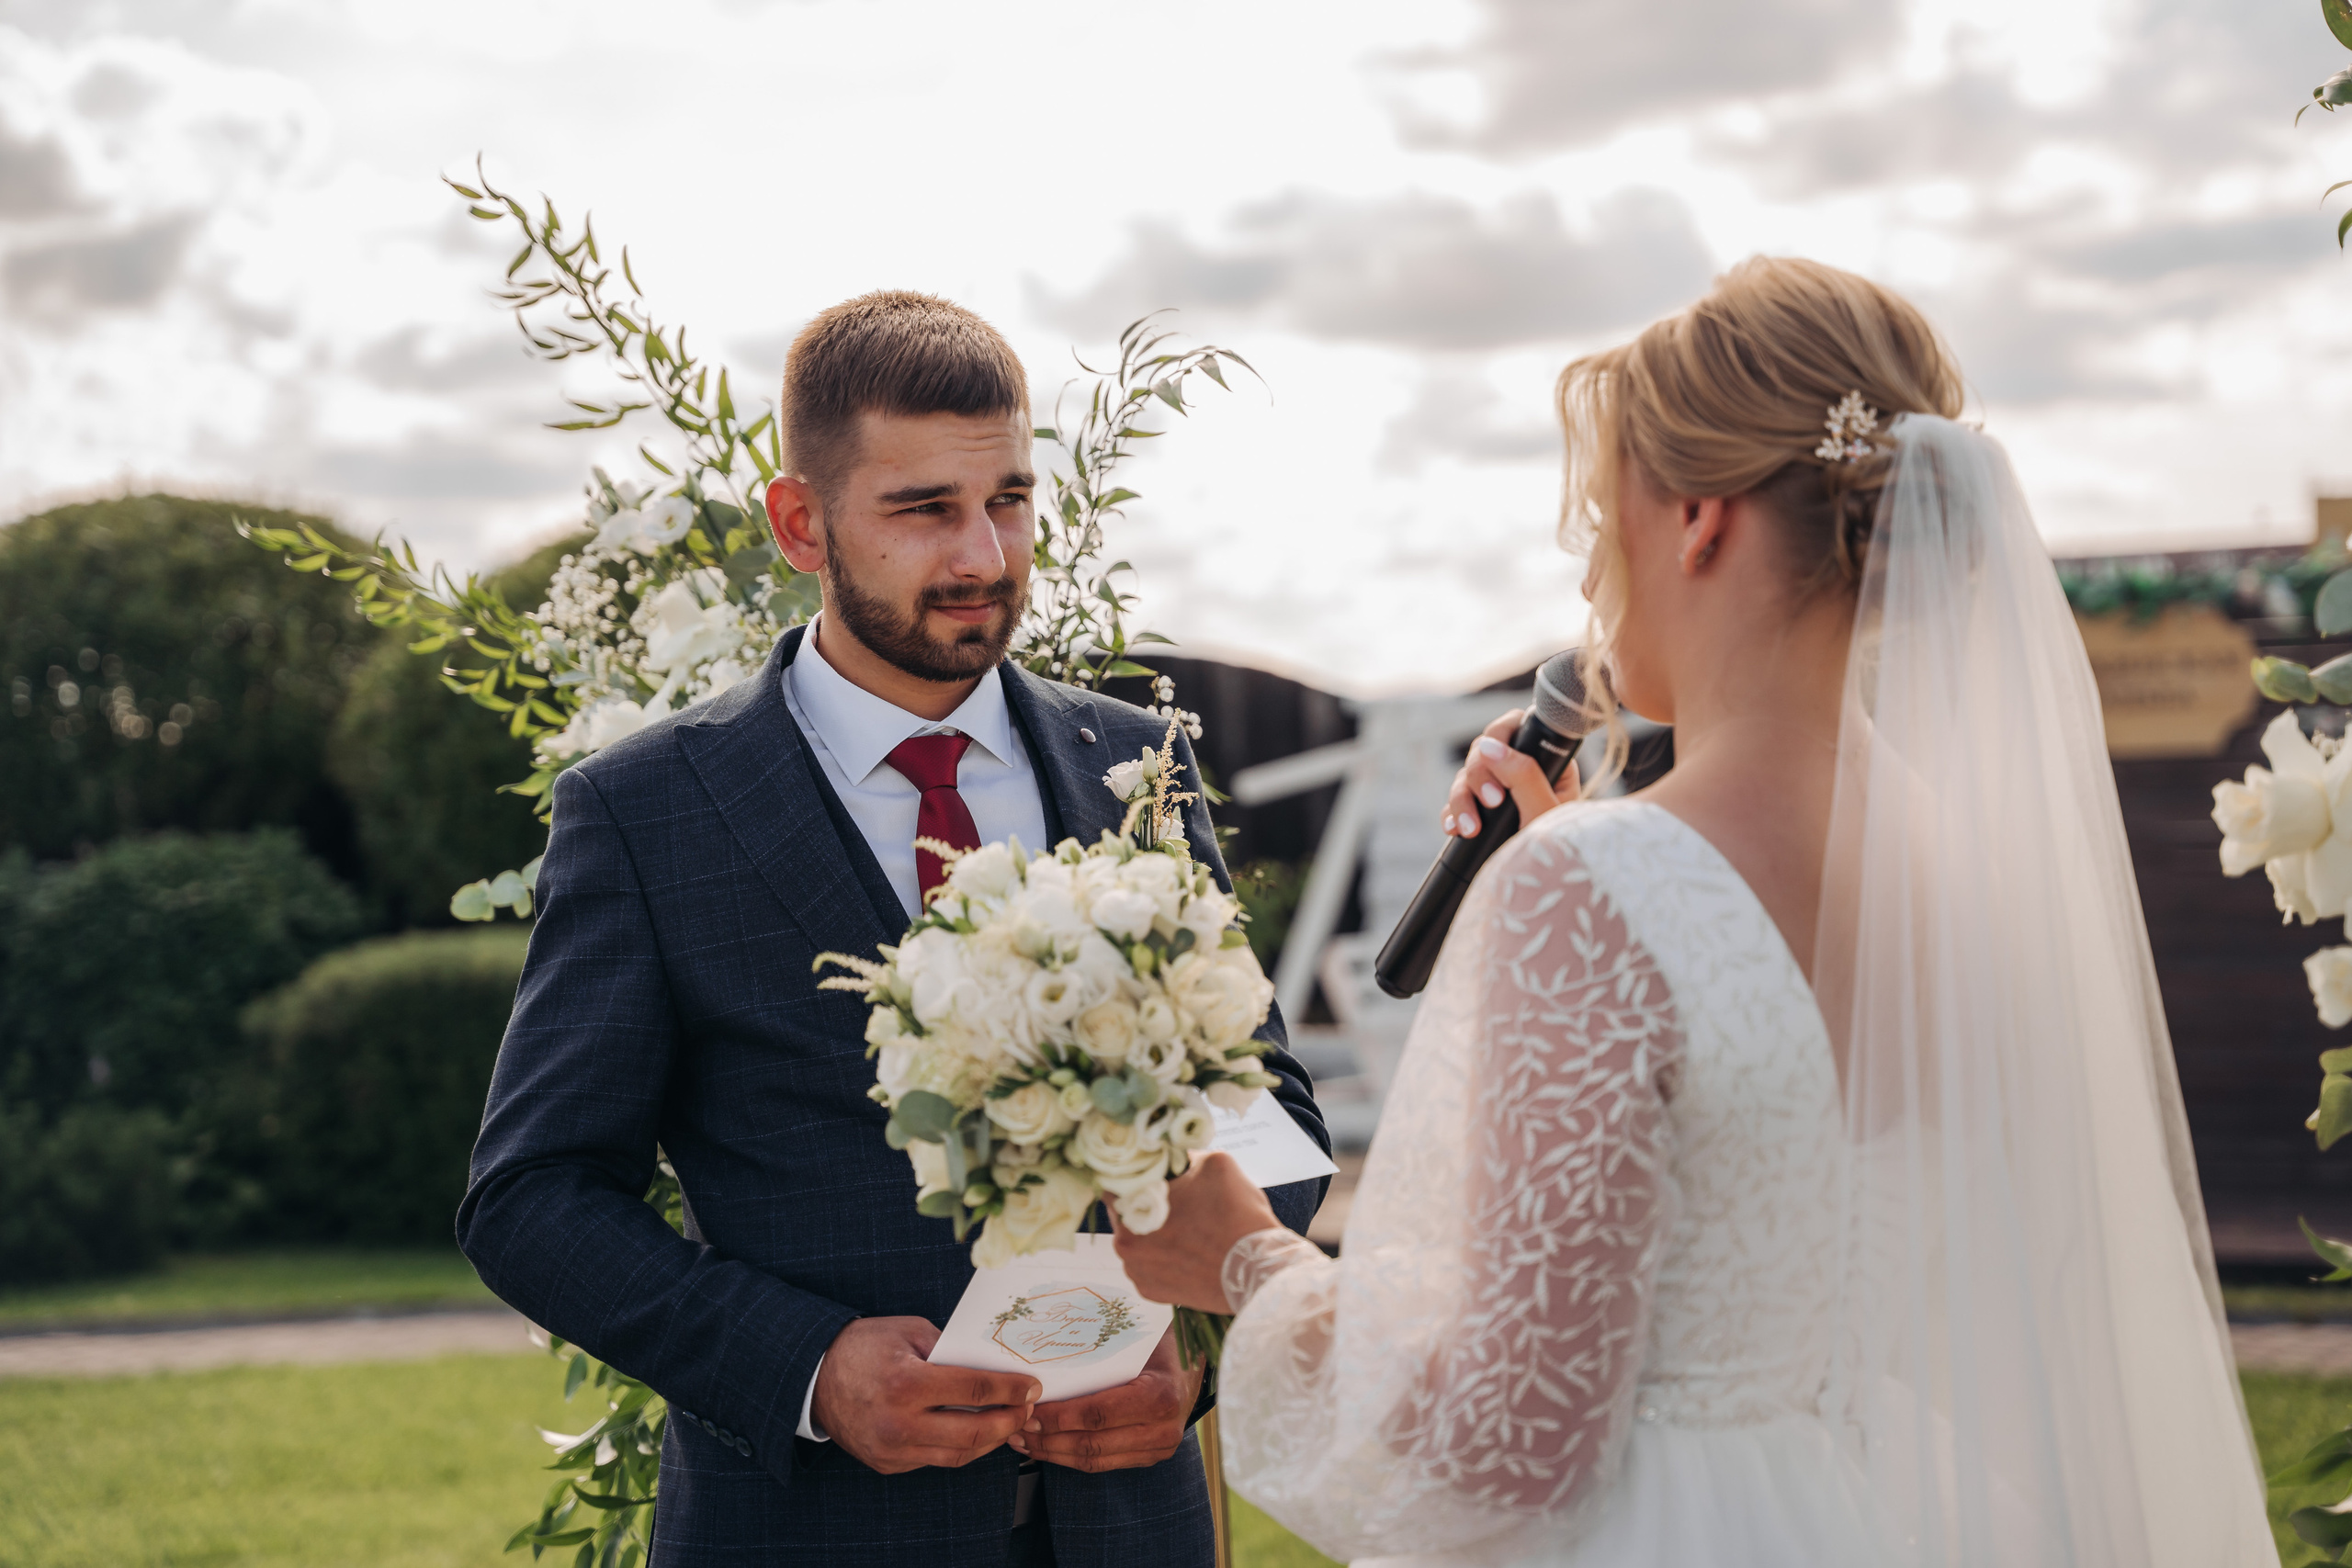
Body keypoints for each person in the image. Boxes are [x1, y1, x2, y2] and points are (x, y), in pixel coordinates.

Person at [1114, 257, 2278, 1566]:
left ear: (1700, 518)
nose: (1589, 564)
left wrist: (1248, 1262)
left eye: (1599, 506)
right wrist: (1580, 872)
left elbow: (1516, 1441)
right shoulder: (1947, 869)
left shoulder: (1594, 892)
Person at [458, 290, 1331, 1568]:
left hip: (1133, 1528)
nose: (984, 553)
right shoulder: (647, 813)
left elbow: (1272, 1114)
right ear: (800, 522)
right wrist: (807, 1369)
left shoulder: (1139, 765)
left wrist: (1192, 1351)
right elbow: (531, 1201)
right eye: (925, 510)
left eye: (1011, 500)